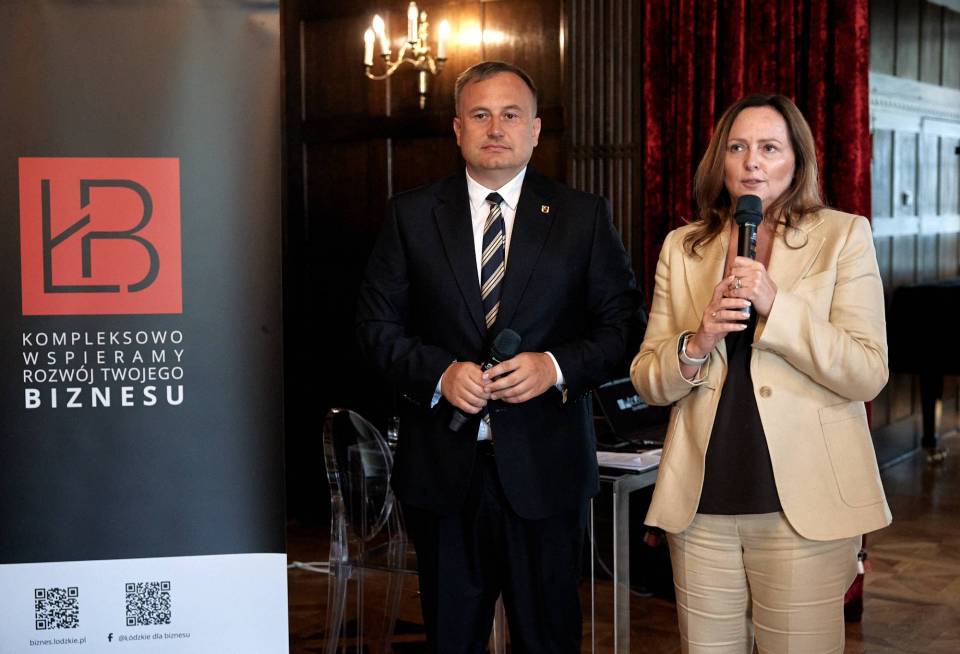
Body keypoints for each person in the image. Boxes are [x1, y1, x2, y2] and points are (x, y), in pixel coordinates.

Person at [356, 61, 639, 653]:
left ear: (534, 130)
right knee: (451, 639)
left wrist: (553, 367)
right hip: (443, 471)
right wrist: (440, 374)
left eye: (511, 115)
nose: (495, 128)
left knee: (548, 639)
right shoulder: (411, 215)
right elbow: (376, 329)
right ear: (457, 128)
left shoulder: (582, 216)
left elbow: (623, 328)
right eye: (480, 115)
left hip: (546, 470)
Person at [630, 93, 891, 653]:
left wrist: (778, 305)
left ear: (797, 160)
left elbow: (867, 372)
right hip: (701, 506)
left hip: (802, 506)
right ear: (720, 161)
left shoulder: (843, 236)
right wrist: (697, 341)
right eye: (737, 147)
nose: (751, 161)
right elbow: (648, 379)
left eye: (769, 147)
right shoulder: (684, 247)